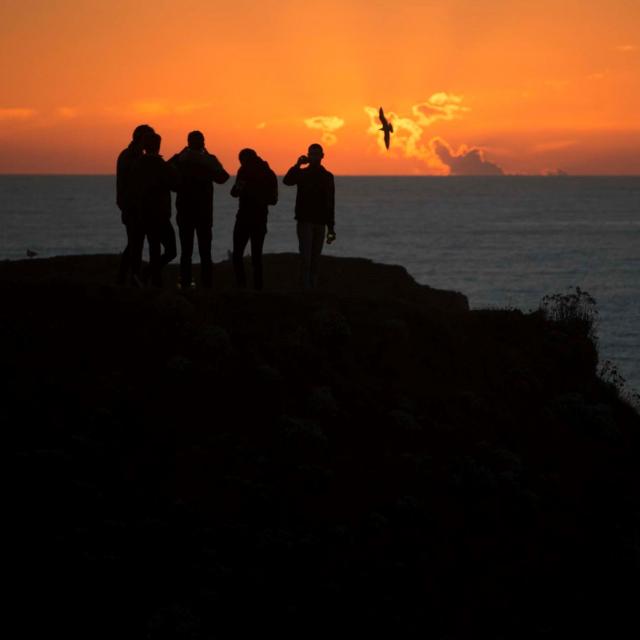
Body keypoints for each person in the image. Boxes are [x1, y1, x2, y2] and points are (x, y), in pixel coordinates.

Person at [169, 131, 229, 289]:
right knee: (205, 251)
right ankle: (207, 284)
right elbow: (223, 177)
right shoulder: (208, 161)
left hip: (184, 212)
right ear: (203, 143)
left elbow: (166, 173)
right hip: (204, 213)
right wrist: (210, 157)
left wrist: (180, 155)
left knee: (186, 251)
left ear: (188, 143)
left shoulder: (181, 161)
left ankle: (186, 282)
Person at [282, 143, 336, 289]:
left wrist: (330, 227)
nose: (314, 157)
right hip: (305, 220)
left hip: (320, 222)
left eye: (317, 154)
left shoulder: (327, 177)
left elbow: (330, 202)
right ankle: (306, 287)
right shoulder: (302, 173)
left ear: (322, 156)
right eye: (312, 154)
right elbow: (287, 181)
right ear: (308, 155)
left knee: (315, 258)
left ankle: (312, 286)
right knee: (306, 256)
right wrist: (297, 165)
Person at [129, 132, 178, 287]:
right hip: (159, 213)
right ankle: (148, 275)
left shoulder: (137, 164)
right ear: (158, 146)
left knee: (154, 248)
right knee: (170, 250)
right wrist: (173, 167)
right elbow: (175, 184)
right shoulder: (160, 165)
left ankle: (151, 279)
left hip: (144, 212)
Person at [230, 148, 278, 290]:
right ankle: (257, 288)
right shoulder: (269, 174)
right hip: (258, 219)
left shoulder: (244, 172)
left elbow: (234, 192)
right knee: (256, 257)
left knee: (238, 254)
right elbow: (274, 200)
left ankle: (242, 285)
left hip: (245, 218)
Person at [115, 124, 154, 285]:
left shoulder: (130, 155)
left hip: (133, 206)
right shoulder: (131, 156)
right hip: (132, 207)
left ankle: (126, 278)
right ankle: (132, 278)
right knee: (135, 245)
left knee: (134, 243)